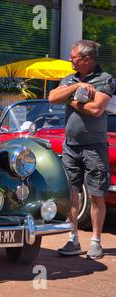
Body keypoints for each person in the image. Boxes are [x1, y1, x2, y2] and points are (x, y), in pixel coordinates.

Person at [49, 40, 115, 260]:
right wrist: (76, 88)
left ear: (87, 59)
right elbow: (51, 97)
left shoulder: (105, 80)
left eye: (74, 56)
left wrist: (70, 101)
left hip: (94, 147)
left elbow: (96, 109)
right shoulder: (70, 79)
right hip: (70, 146)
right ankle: (72, 239)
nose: (70, 59)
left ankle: (96, 241)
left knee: (96, 195)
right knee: (71, 195)